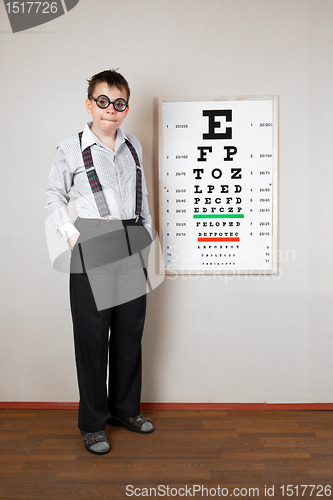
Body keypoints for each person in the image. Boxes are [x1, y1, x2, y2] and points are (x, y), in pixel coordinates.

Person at [45, 69, 154, 455]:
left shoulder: (134, 145)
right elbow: (53, 196)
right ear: (90, 103)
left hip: (131, 239)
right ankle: (92, 424)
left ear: (126, 107)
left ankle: (124, 410)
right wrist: (72, 235)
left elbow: (142, 194)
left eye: (119, 103)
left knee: (128, 333)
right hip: (92, 237)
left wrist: (147, 233)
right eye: (103, 101)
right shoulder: (70, 148)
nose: (111, 109)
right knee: (92, 339)